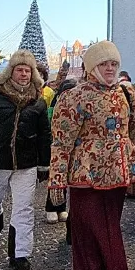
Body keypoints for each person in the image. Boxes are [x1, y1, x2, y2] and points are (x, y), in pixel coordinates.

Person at [49, 40, 135, 270]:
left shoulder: (126, 93)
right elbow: (62, 141)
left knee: (109, 228)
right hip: (86, 175)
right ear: (92, 67)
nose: (110, 68)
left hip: (116, 175)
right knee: (88, 230)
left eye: (114, 64)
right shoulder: (74, 97)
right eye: (104, 64)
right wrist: (57, 180)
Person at [0, 50, 51, 270]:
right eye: (19, 70)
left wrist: (44, 163)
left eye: (28, 70)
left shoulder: (38, 101)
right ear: (11, 72)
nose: (24, 74)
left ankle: (19, 253)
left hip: (26, 164)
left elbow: (44, 135)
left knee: (24, 209)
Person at [45, 74, 79, 226]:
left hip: (77, 147)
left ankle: (63, 208)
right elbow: (49, 124)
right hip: (58, 145)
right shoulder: (55, 105)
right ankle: (51, 207)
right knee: (57, 178)